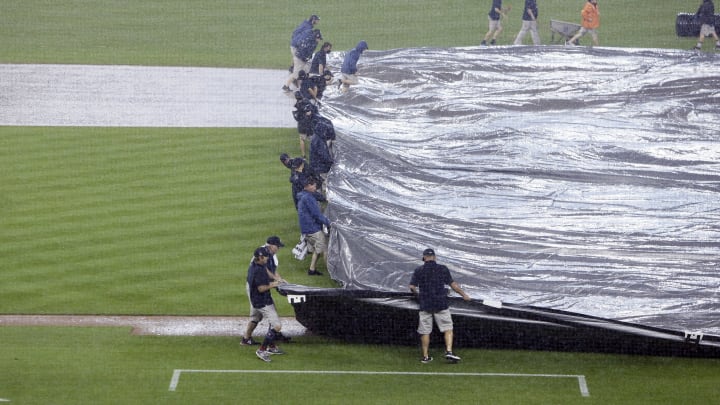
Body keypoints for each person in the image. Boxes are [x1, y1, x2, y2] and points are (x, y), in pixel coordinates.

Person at [409, 248, 471, 364]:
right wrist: (464, 295)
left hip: (425, 304)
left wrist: (419, 297)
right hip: (440, 303)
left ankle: (426, 357)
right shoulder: (442, 269)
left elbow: (412, 287)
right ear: (435, 257)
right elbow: (453, 285)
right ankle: (448, 351)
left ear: (424, 258)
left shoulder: (419, 270)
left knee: (425, 331)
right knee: (448, 328)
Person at [242, 237, 290, 346]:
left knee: (258, 315)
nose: (278, 248)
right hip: (256, 287)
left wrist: (279, 280)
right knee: (264, 311)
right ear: (271, 246)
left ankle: (247, 338)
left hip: (261, 286)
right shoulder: (261, 256)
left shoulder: (268, 255)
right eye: (277, 246)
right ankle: (270, 338)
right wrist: (275, 283)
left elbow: (273, 271)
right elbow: (265, 273)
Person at [245, 246, 286, 362]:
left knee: (260, 319)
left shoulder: (257, 264)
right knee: (277, 326)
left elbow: (267, 271)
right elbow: (261, 288)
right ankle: (262, 350)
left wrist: (277, 279)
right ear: (260, 257)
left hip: (262, 300)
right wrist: (274, 284)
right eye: (266, 257)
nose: (268, 258)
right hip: (262, 302)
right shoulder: (256, 271)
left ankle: (271, 346)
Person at [296, 177, 331, 276]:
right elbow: (317, 214)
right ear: (308, 186)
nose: (315, 187)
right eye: (314, 185)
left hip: (306, 228)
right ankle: (333, 273)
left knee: (317, 250)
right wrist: (328, 223)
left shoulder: (302, 195)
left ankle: (312, 270)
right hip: (313, 228)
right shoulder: (308, 198)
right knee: (324, 249)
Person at [285, 15, 320, 92]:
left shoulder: (306, 24)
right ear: (313, 20)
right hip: (296, 46)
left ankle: (294, 74)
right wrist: (298, 44)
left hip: (295, 44)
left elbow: (295, 32)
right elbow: (303, 41)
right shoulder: (308, 28)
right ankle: (293, 77)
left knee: (298, 61)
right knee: (298, 62)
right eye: (317, 20)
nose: (318, 21)